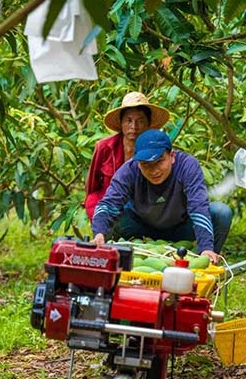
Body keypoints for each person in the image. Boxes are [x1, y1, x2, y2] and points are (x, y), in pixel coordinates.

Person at [91, 129, 232, 263]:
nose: (154, 171)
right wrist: (98, 234)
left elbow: (198, 206)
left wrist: (206, 247)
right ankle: (112, 261)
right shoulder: (129, 170)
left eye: (159, 161)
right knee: (108, 216)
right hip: (139, 227)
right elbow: (107, 205)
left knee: (221, 213)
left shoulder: (187, 166)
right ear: (138, 163)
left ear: (171, 156)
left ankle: (203, 261)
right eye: (146, 164)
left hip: (180, 227)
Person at [84, 92, 169, 221]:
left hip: (142, 210)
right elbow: (92, 186)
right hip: (109, 207)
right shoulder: (104, 147)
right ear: (121, 123)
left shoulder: (157, 149)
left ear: (148, 124)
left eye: (140, 121)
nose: (134, 127)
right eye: (128, 121)